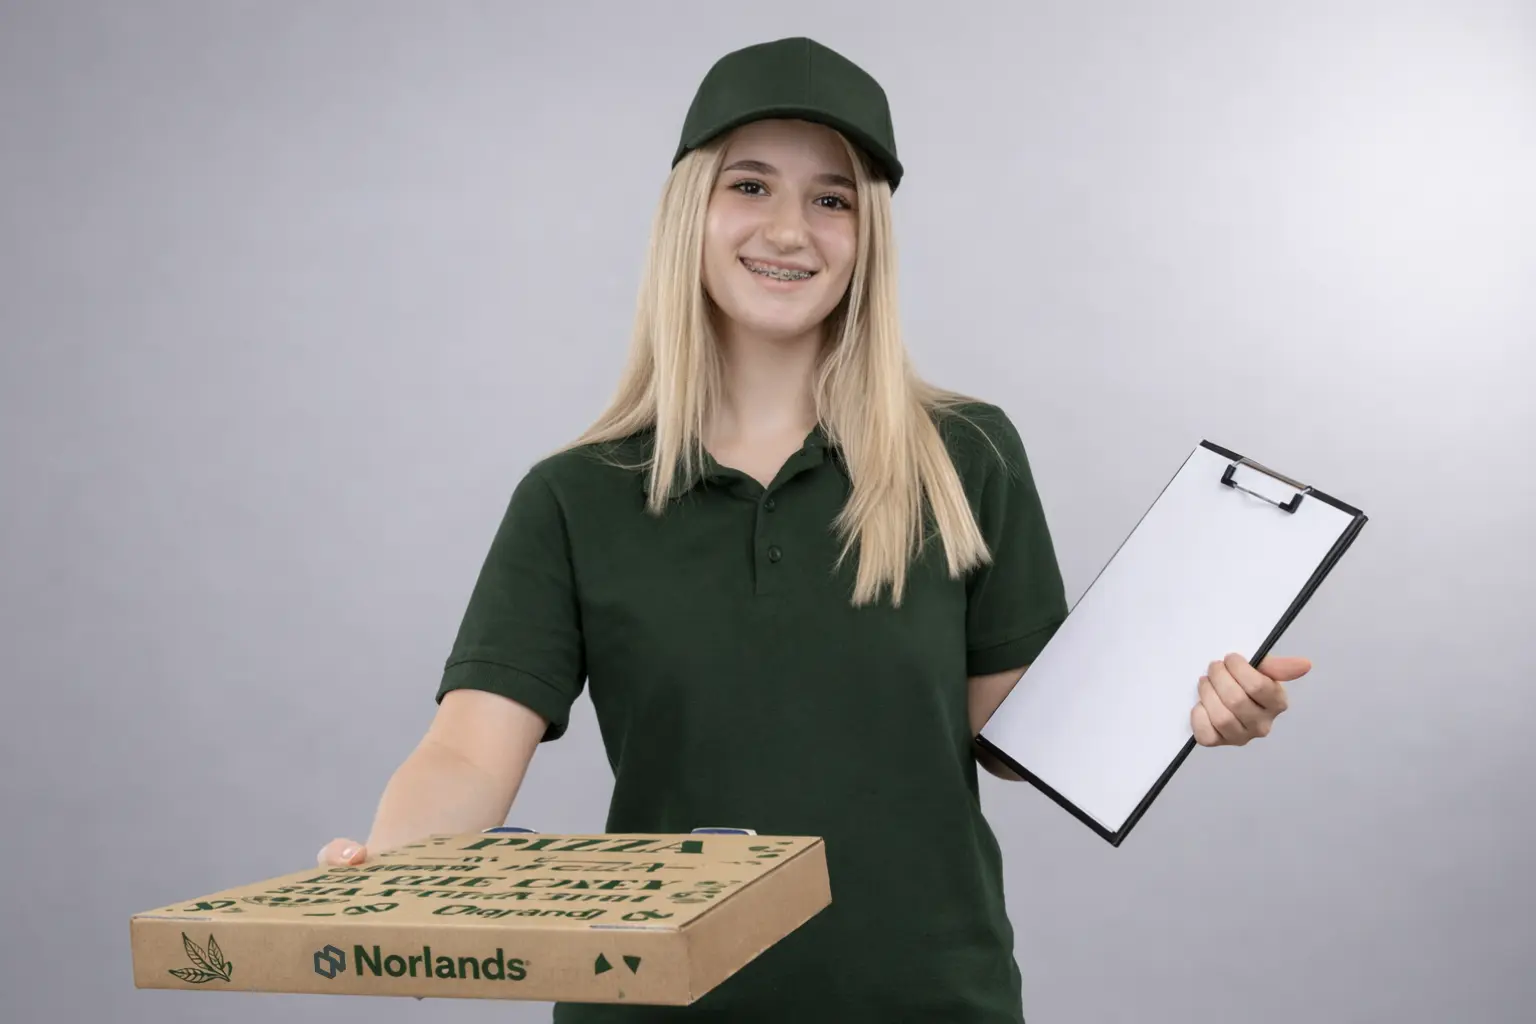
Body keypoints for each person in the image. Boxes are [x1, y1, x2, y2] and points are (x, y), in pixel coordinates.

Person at [317, 36, 1313, 1023]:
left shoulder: (963, 458)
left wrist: (1195, 706)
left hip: (930, 1003)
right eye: (750, 186)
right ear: (690, 212)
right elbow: (466, 753)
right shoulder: (576, 497)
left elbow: (1016, 735)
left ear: (867, 233)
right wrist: (393, 869)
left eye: (832, 198)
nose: (790, 229)